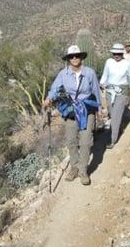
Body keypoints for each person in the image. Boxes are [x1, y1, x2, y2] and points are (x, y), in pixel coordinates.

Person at [43, 45, 102, 186]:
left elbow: (96, 90)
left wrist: (99, 108)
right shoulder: (63, 74)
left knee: (86, 141)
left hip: (87, 110)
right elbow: (55, 88)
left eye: (76, 55)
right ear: (68, 59)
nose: (74, 58)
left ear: (81, 56)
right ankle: (74, 166)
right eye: (71, 56)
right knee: (70, 141)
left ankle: (83, 171)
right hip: (71, 110)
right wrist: (49, 98)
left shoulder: (90, 73)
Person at [100, 43, 130, 149]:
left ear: (122, 53)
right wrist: (101, 84)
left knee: (116, 116)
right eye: (114, 53)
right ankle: (119, 128)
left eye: (119, 53)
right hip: (109, 91)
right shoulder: (109, 62)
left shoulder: (126, 64)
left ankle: (112, 140)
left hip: (122, 92)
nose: (116, 55)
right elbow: (105, 74)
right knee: (112, 114)